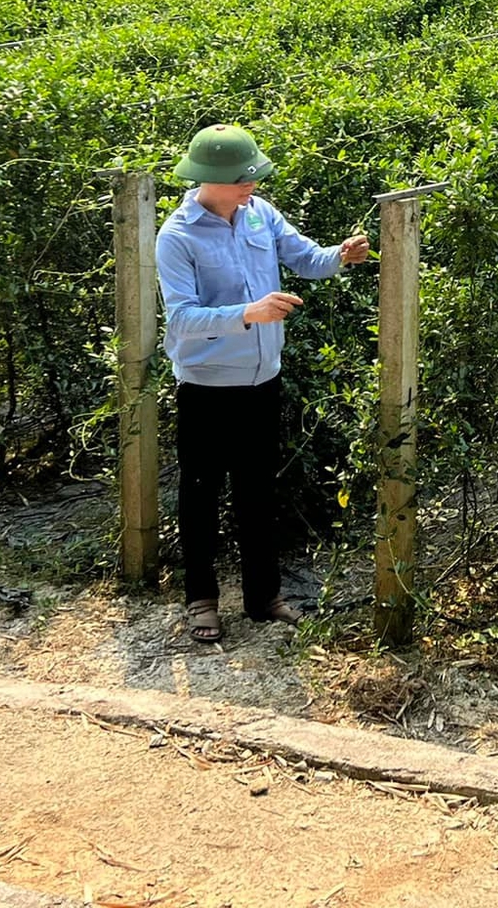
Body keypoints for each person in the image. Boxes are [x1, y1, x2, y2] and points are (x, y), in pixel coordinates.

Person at [155, 123, 370, 643]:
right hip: (205, 386)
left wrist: (340, 255)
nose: (251, 185)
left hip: (262, 382)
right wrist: (248, 313)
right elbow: (181, 318)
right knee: (200, 494)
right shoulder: (176, 237)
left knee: (257, 491)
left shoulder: (261, 213)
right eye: (241, 179)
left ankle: (263, 597)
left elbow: (305, 259)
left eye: (253, 176)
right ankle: (202, 601)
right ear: (209, 179)